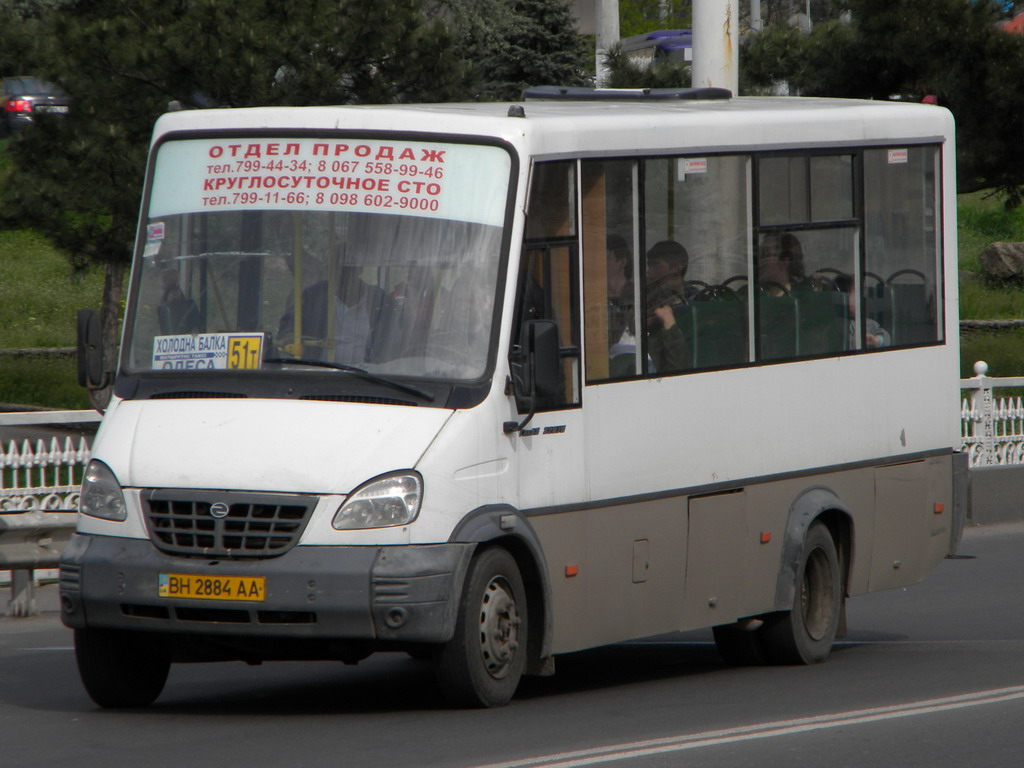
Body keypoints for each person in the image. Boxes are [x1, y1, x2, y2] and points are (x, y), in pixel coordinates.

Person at [277, 264, 391, 365]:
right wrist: (290, 337)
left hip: (371, 378)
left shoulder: (379, 299)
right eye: (335, 268)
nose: (341, 274)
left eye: (347, 269)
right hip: (320, 374)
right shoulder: (312, 296)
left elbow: (398, 336)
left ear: (359, 269)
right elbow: (289, 326)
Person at [644, 240, 693, 372]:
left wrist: (668, 322)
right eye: (649, 266)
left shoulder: (694, 298)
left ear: (677, 267)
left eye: (656, 266)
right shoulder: (646, 299)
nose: (649, 272)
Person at [835, 274, 890, 349]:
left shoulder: (868, 324)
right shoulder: (835, 325)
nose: (861, 300)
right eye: (856, 296)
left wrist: (876, 340)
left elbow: (886, 337)